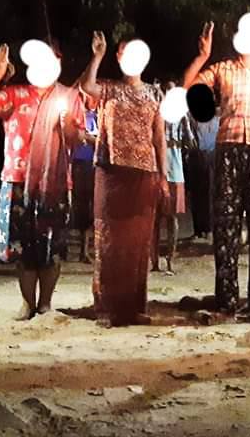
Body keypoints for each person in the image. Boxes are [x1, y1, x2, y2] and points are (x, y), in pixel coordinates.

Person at [182, 22, 250, 324]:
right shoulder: (223, 69)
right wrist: (202, 56)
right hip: (229, 147)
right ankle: (227, 300)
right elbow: (189, 88)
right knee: (226, 227)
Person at [0, 43, 83, 320]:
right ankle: (27, 302)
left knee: (52, 247)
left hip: (55, 184)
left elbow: (77, 139)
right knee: (22, 248)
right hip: (17, 179)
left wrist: (67, 124)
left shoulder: (68, 97)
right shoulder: (16, 94)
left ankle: (45, 303)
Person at [77, 32, 169, 326]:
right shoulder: (108, 89)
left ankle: (133, 308)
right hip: (110, 169)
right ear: (119, 57)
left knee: (138, 242)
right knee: (109, 241)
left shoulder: (155, 93)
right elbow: (85, 86)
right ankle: (106, 308)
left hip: (144, 171)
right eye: (125, 53)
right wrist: (98, 54)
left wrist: (163, 176)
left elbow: (159, 137)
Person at [156, 85, 194, 274]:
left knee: (172, 218)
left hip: (175, 167)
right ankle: (154, 260)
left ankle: (170, 258)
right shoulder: (157, 111)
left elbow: (191, 140)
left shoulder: (181, 115)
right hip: (160, 166)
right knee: (156, 217)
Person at [71, 107, 98, 263]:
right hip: (79, 164)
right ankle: (83, 250)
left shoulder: (98, 115)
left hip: (94, 164)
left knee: (93, 208)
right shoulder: (76, 114)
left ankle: (87, 250)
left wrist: (88, 137)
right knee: (81, 207)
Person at [188, 110, 220, 240]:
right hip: (196, 156)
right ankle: (199, 229)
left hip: (210, 156)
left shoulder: (216, 119)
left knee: (209, 193)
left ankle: (208, 228)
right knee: (196, 194)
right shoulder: (192, 118)